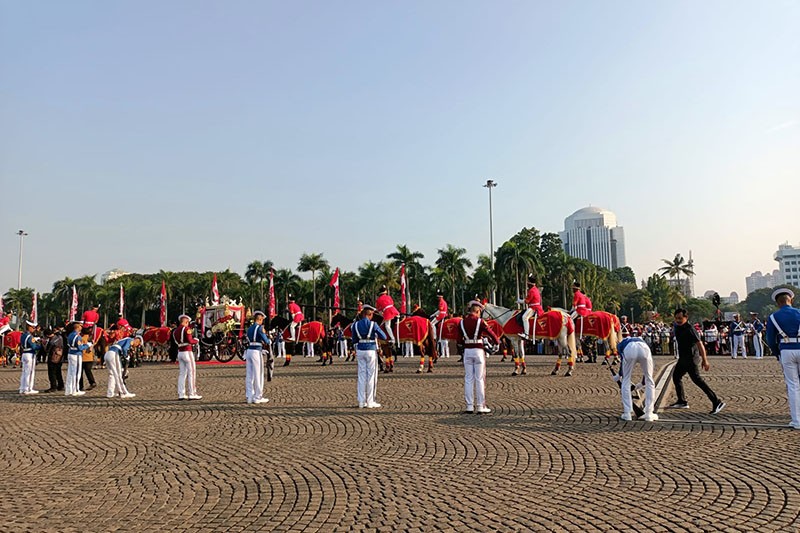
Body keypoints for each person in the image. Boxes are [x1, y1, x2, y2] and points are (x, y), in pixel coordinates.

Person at [668, 308, 726, 414]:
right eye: (676, 318)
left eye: (680, 318)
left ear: (686, 317)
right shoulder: (677, 327)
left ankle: (716, 401)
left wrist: (705, 360)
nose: (678, 320)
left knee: (698, 381)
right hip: (683, 359)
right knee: (676, 377)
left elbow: (700, 344)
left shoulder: (690, 329)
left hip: (691, 359)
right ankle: (682, 401)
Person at [766, 288, 800, 429]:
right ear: (790, 300)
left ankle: (797, 421)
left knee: (793, 386)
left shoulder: (773, 317)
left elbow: (770, 339)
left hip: (786, 350)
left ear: (778, 303)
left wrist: (776, 353)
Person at [458, 300, 500, 414]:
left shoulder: (461, 322)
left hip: (467, 351)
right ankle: (481, 406)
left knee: (468, 378)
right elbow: (491, 333)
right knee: (480, 379)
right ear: (477, 311)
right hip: (478, 351)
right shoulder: (480, 322)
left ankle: (469, 406)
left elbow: (459, 340)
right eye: (479, 312)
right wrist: (497, 342)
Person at [352, 305, 387, 408]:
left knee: (361, 375)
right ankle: (370, 401)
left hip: (360, 350)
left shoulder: (355, 325)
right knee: (371, 376)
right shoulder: (373, 324)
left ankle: (361, 402)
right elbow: (384, 336)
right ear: (369, 314)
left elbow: (354, 340)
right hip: (371, 351)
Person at [616, 336, 658, 421]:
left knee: (626, 380)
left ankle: (627, 413)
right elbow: (650, 369)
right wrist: (643, 383)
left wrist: (619, 375)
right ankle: (649, 413)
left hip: (629, 349)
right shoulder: (642, 341)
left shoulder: (620, 344)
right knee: (649, 380)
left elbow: (622, 363)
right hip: (644, 348)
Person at [244, 311, 270, 404]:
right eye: (262, 319)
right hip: (256, 351)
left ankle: (249, 396)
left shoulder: (249, 328)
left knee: (249, 375)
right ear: (260, 319)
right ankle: (258, 396)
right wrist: (268, 338)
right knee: (258, 374)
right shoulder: (260, 328)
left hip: (249, 351)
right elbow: (266, 341)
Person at [174, 314, 201, 400]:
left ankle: (181, 393)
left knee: (182, 374)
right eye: (187, 322)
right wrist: (195, 340)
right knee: (191, 372)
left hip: (180, 352)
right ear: (185, 321)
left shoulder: (175, 331)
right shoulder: (186, 329)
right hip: (187, 351)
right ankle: (192, 393)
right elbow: (190, 340)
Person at [66, 320, 91, 396]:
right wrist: (87, 345)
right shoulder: (78, 336)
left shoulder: (70, 335)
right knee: (76, 373)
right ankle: (75, 390)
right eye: (80, 326)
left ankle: (68, 390)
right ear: (77, 326)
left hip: (70, 353)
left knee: (70, 372)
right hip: (76, 354)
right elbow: (80, 347)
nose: (81, 327)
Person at [518, 274, 545, 341]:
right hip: (535, 306)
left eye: (528, 283)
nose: (527, 284)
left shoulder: (532, 290)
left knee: (524, 317)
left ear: (530, 283)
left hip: (534, 308)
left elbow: (527, 301)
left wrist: (520, 301)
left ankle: (526, 334)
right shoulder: (535, 289)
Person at [19, 320, 41, 395]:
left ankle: (22, 388)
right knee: (30, 372)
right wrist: (40, 346)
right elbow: (34, 346)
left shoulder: (23, 335)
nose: (34, 329)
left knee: (24, 372)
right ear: (30, 327)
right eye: (33, 328)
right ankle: (28, 388)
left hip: (24, 353)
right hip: (30, 354)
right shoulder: (30, 336)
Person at [43, 327, 65, 393]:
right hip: (60, 357)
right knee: (58, 372)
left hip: (53, 357)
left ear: (47, 335)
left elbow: (47, 350)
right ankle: (61, 385)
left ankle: (53, 386)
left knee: (52, 373)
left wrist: (43, 344)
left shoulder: (51, 341)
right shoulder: (59, 337)